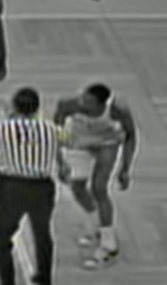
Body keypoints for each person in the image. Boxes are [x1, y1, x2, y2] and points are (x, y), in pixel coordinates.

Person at [0, 87, 66, 285]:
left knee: (2, 239)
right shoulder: (51, 129)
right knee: (43, 233)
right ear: (37, 107)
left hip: (12, 186)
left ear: (14, 107)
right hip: (43, 187)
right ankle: (45, 278)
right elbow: (69, 139)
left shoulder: (1, 127)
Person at [54, 83, 137, 269]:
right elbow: (55, 133)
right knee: (77, 187)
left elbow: (131, 136)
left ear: (102, 104)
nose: (82, 103)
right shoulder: (68, 104)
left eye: (88, 102)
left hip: (106, 143)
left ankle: (109, 245)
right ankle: (96, 225)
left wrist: (125, 168)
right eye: (82, 98)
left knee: (99, 189)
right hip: (79, 142)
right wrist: (60, 163)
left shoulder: (117, 110)